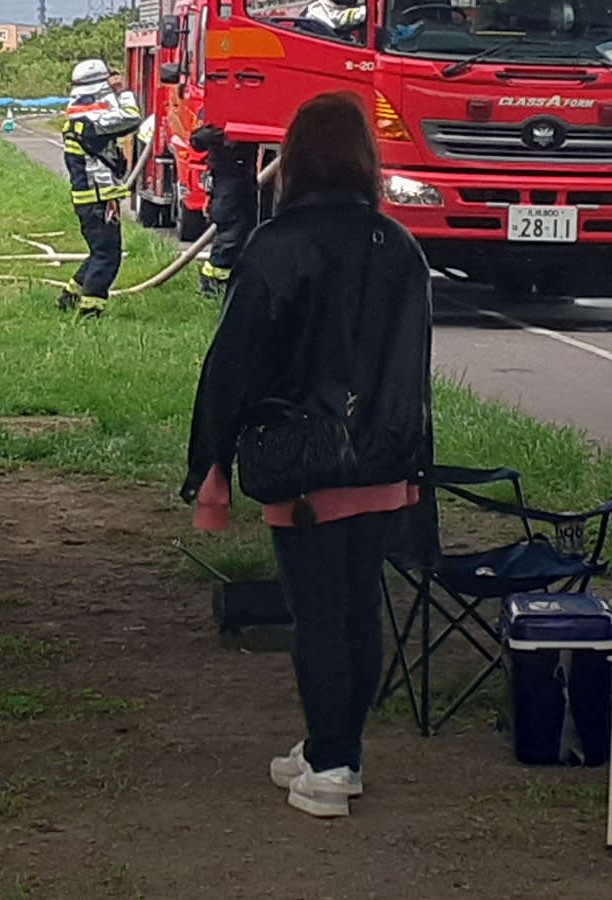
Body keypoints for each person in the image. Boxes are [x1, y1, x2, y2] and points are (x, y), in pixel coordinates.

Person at [182, 91, 434, 819]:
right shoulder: (402, 248)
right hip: (385, 463)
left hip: (303, 467)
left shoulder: (276, 248)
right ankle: (336, 739)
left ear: (293, 159)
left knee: (316, 616)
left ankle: (333, 762)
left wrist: (213, 463)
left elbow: (234, 364)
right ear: (365, 159)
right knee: (359, 613)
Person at [57, 59, 144, 318]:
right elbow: (131, 117)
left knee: (98, 253)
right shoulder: (92, 121)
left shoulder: (79, 118)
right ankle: (89, 314)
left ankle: (69, 298)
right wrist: (122, 92)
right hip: (98, 202)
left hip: (93, 200)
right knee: (107, 257)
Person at [189, 120, 260, 299]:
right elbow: (197, 140)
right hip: (228, 183)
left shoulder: (244, 113)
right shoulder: (219, 119)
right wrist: (223, 133)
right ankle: (212, 288)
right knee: (231, 235)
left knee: (243, 233)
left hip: (240, 180)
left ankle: (227, 287)